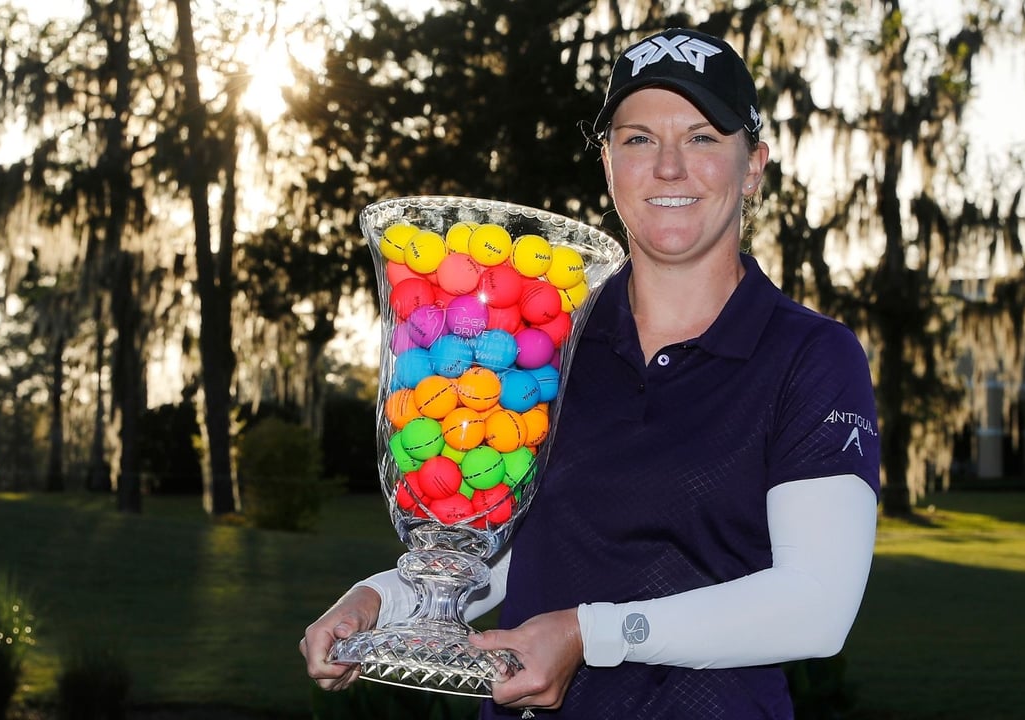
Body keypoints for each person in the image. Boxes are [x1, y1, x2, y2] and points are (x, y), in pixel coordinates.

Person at [301, 27, 881, 719]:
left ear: (752, 165)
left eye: (701, 137)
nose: (669, 167)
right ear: (606, 161)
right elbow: (528, 551)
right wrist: (381, 600)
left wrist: (590, 634)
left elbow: (815, 608)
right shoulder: (539, 338)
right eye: (638, 139)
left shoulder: (809, 355)